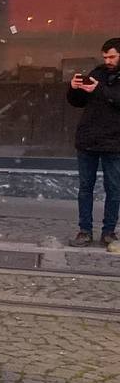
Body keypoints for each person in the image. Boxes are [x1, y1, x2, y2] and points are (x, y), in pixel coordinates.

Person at [67, 38, 120, 248]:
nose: (107, 60)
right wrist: (74, 88)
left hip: (114, 142)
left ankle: (109, 232)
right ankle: (85, 231)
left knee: (114, 189)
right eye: (105, 56)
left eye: (112, 56)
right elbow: (78, 102)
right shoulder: (97, 73)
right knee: (85, 188)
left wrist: (98, 89)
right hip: (88, 139)